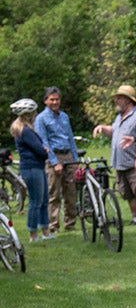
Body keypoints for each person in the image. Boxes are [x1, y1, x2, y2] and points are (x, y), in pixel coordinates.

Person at [93, 85, 136, 226]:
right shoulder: (119, 117)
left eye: (119, 98)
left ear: (128, 100)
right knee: (127, 193)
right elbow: (114, 132)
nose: (116, 101)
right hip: (121, 163)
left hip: (135, 162)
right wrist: (103, 128)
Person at [34, 86, 79, 234]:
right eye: (51, 99)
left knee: (71, 192)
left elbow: (70, 138)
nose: (55, 102)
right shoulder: (41, 119)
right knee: (54, 193)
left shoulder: (64, 116)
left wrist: (75, 158)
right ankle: (53, 225)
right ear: (46, 101)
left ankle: (70, 223)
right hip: (53, 156)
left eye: (57, 99)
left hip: (68, 155)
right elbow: (43, 142)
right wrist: (54, 162)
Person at [10, 98, 52, 243]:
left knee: (44, 199)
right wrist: (45, 150)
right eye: (34, 111)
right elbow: (40, 150)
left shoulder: (26, 129)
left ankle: (46, 231)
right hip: (32, 168)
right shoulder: (25, 131)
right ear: (28, 114)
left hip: (37, 167)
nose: (36, 114)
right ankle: (33, 235)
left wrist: (43, 150)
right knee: (35, 201)